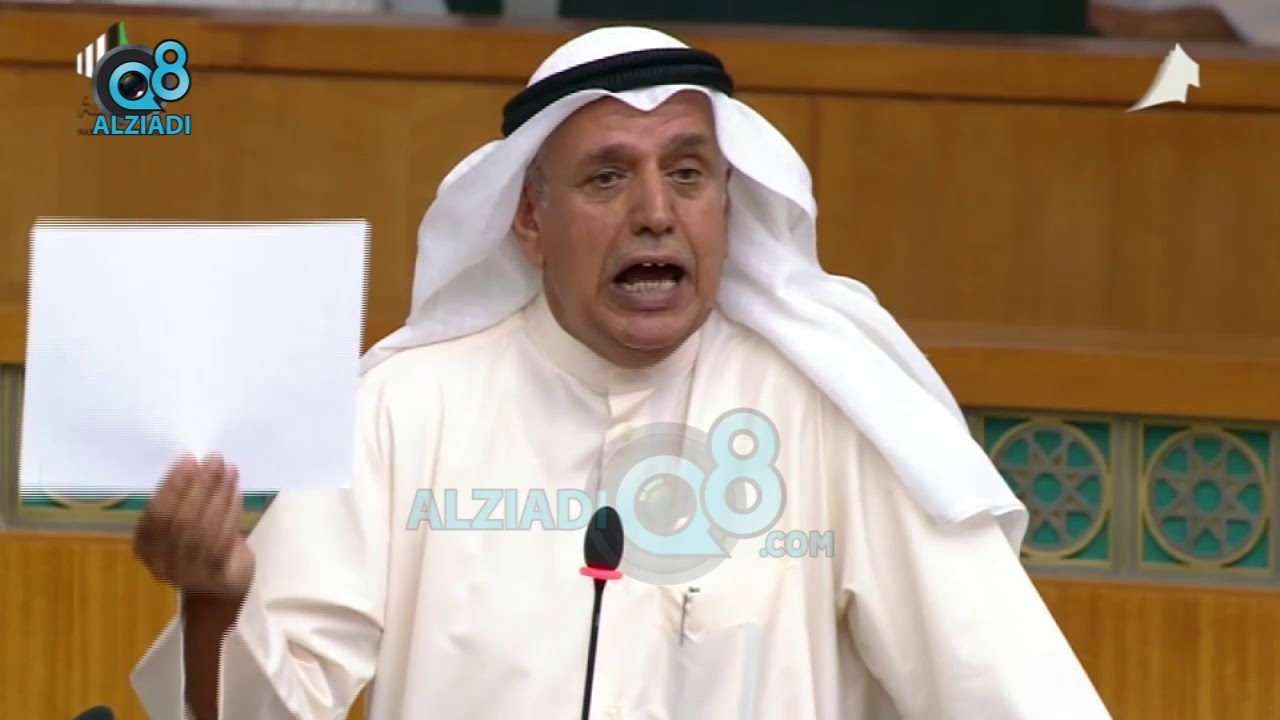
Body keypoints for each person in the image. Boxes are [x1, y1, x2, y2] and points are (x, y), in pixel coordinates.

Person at [129, 26, 1111, 720]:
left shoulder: (828, 413)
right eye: (607, 177)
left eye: (686, 173)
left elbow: (1014, 693)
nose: (654, 212)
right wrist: (218, 602)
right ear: (529, 219)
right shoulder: (406, 411)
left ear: (727, 202)